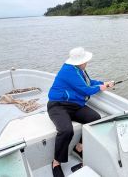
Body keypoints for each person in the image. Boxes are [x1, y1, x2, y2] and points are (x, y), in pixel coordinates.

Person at [47, 47, 114, 177]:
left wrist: (104, 83)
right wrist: (101, 87)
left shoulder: (79, 70)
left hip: (75, 105)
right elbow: (86, 90)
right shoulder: (68, 70)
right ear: (79, 62)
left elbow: (89, 82)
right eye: (85, 61)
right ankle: (56, 162)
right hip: (57, 105)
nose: (86, 63)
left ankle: (79, 147)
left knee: (95, 118)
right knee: (66, 130)